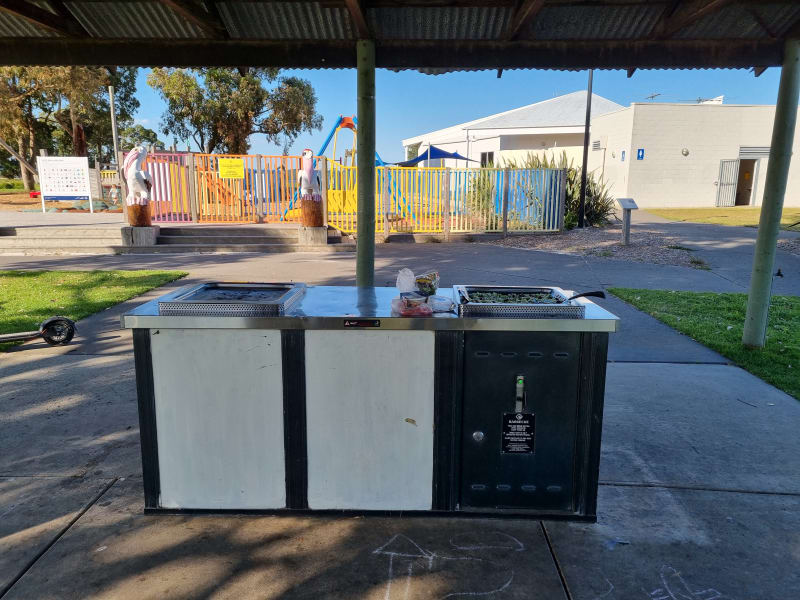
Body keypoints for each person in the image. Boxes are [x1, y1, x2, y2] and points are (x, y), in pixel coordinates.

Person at [297, 148, 323, 227]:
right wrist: (304, 194)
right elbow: (300, 185)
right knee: (305, 194)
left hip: (315, 189)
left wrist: (316, 193)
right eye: (305, 154)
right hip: (304, 189)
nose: (308, 156)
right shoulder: (301, 173)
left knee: (316, 195)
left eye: (310, 154)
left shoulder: (316, 172)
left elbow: (318, 186)